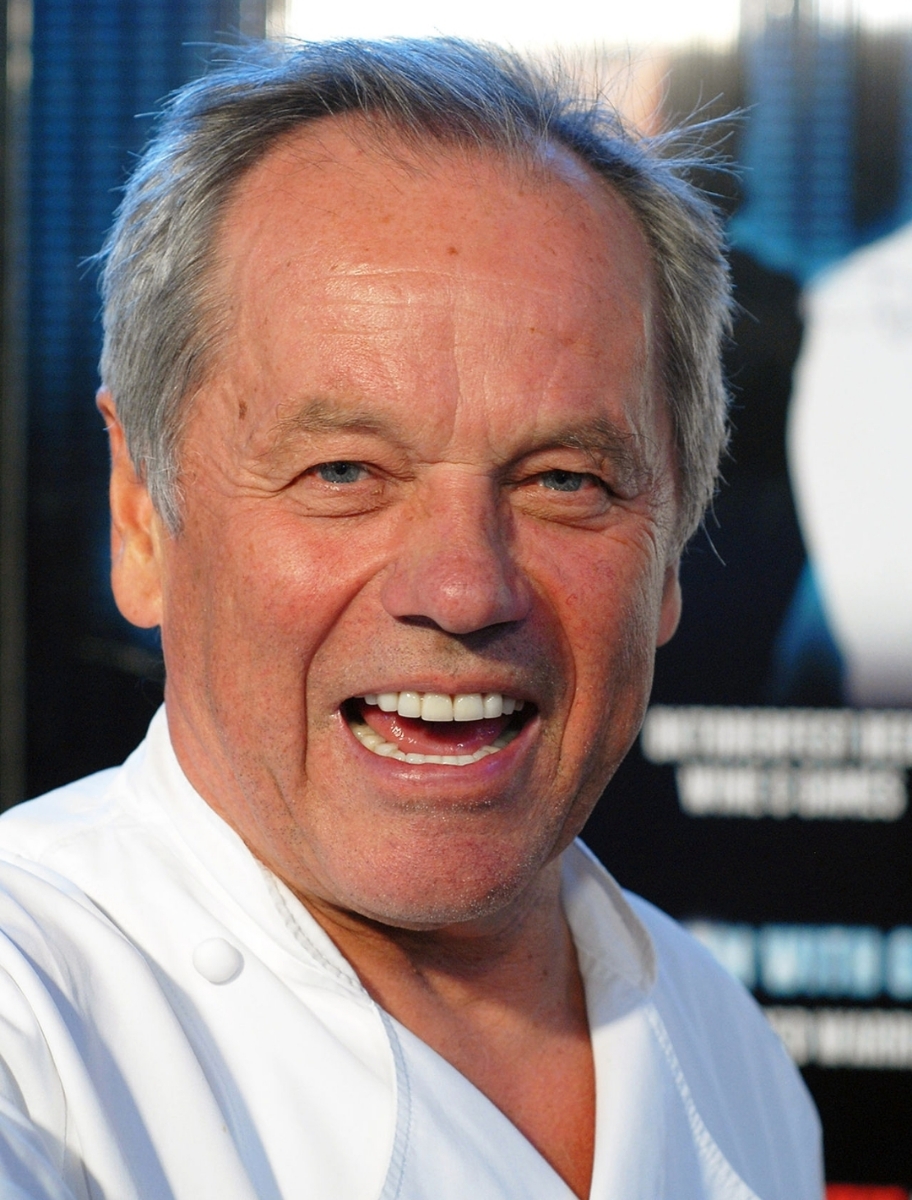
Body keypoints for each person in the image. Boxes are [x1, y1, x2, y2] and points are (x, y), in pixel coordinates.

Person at [0, 39, 822, 1199]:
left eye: (565, 480)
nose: (465, 589)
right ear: (142, 517)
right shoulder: (30, 1026)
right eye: (344, 471)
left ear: (673, 542)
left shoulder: (731, 1050)